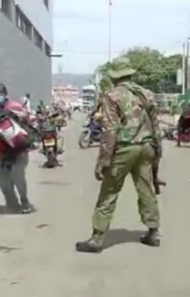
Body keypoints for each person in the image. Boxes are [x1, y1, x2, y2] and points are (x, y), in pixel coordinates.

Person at [76, 57, 161, 254]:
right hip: (147, 147)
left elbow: (110, 130)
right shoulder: (145, 93)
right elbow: (155, 125)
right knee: (146, 189)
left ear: (115, 77)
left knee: (109, 192)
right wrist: (157, 152)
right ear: (130, 74)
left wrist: (103, 161)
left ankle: (97, 238)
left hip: (125, 148)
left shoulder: (112, 96)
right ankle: (153, 232)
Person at [0, 83, 33, 214]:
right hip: (2, 151)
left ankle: (25, 202)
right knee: (3, 181)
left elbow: (28, 120)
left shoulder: (14, 106)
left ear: (5, 94)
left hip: (19, 150)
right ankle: (12, 203)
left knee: (18, 177)